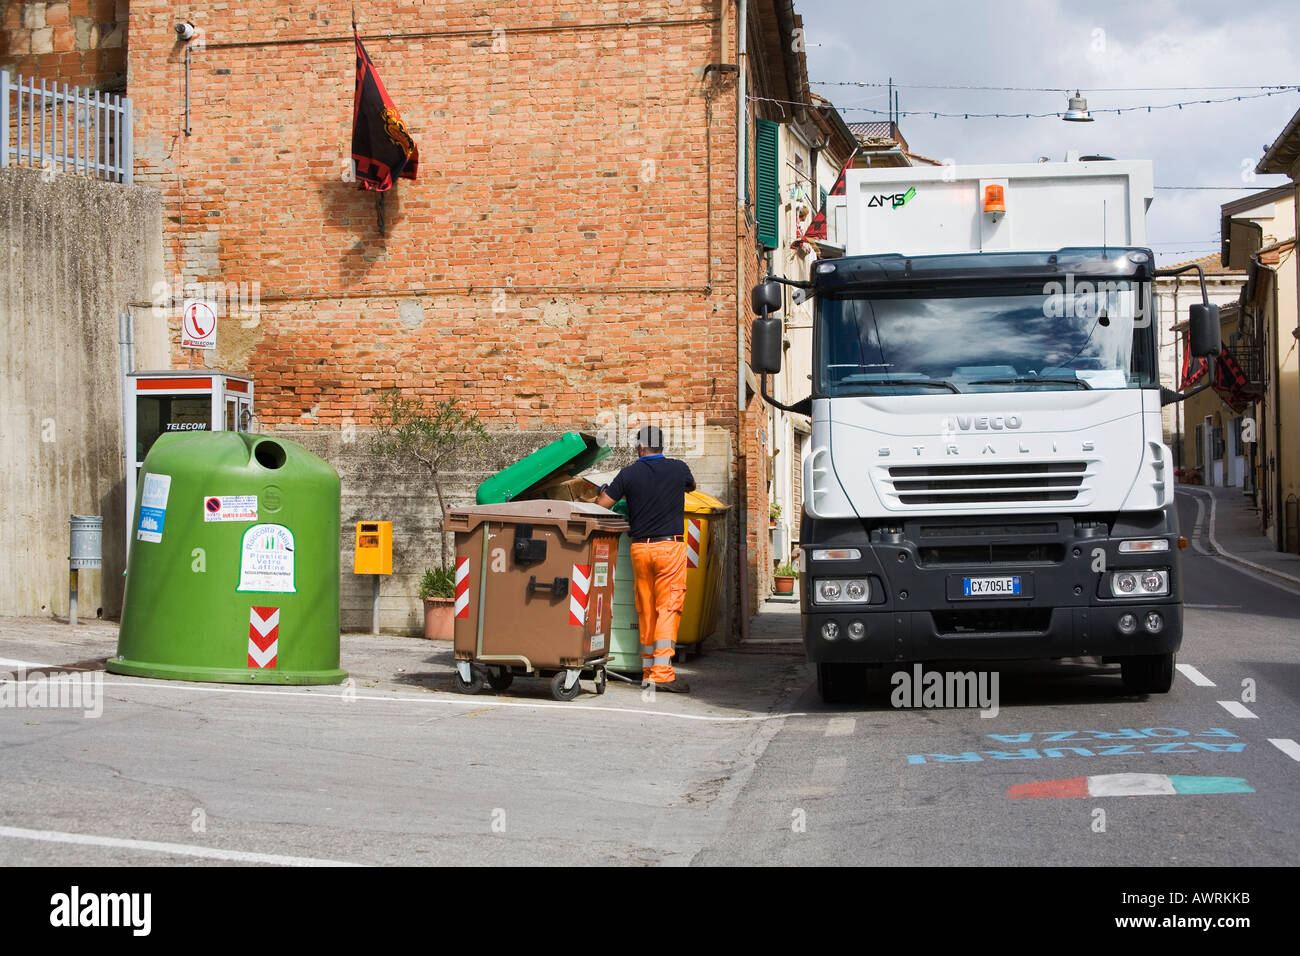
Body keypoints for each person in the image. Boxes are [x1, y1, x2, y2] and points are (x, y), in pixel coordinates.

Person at [595, 425, 696, 693]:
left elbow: (601, 505)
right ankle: (661, 675)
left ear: (640, 447)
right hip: (669, 548)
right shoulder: (678, 468)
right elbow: (691, 486)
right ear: (661, 445)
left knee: (647, 609)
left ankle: (649, 671)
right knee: (668, 608)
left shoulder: (628, 473)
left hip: (640, 549)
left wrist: (609, 492)